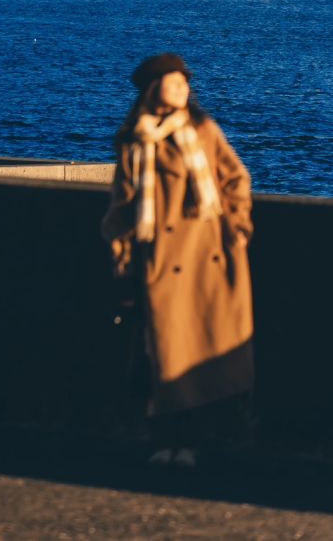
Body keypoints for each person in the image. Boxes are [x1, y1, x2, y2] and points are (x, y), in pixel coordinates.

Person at [101, 53, 254, 466]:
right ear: (154, 91)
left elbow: (236, 176)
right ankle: (166, 440)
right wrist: (120, 246)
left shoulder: (201, 130)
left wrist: (236, 228)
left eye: (184, 85)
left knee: (193, 355)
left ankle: (188, 442)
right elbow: (122, 201)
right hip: (156, 259)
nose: (181, 91)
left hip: (204, 256)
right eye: (172, 85)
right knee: (162, 354)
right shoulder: (135, 138)